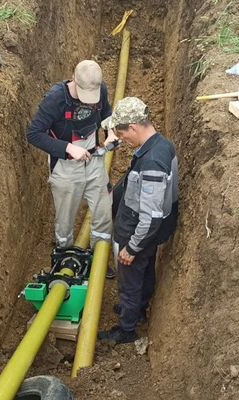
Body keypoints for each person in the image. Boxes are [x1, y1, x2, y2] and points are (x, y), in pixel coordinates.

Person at [97, 97, 179, 345]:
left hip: (137, 234)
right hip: (150, 234)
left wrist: (131, 247)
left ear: (133, 128)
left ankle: (127, 328)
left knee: (130, 281)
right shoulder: (161, 145)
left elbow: (151, 214)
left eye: (122, 134)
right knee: (144, 274)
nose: (121, 139)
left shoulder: (152, 162)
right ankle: (139, 309)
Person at [26, 60, 117, 249]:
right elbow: (34, 134)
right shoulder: (56, 99)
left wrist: (111, 133)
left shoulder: (100, 89)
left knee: (103, 213)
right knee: (65, 219)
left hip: (94, 161)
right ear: (74, 78)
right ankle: (64, 258)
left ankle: (97, 259)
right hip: (65, 167)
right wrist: (68, 148)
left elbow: (106, 114)